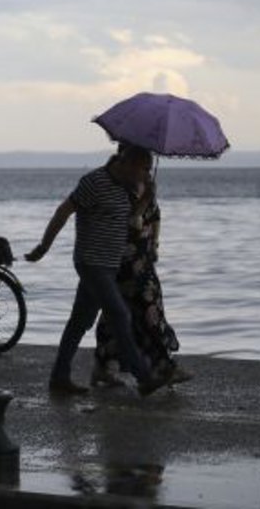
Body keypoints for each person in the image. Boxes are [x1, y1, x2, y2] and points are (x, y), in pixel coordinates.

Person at [25, 145, 170, 396]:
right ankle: (144, 376)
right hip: (91, 262)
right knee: (120, 314)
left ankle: (59, 377)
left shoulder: (127, 188)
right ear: (126, 162)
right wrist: (44, 246)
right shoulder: (94, 182)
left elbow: (131, 223)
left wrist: (145, 199)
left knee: (79, 321)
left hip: (110, 265)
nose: (145, 174)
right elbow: (63, 212)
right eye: (143, 168)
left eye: (148, 169)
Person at [91, 173, 192, 387]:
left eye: (147, 164)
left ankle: (104, 366)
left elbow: (155, 217)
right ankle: (163, 367)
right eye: (141, 163)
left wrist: (155, 243)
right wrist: (144, 200)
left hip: (144, 262)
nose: (145, 169)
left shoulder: (144, 186)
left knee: (122, 314)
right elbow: (131, 226)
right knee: (146, 312)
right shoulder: (117, 191)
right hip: (124, 263)